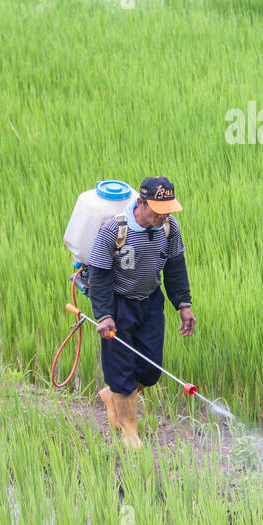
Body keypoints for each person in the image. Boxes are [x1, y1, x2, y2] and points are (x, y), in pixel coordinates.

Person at [88, 177, 195, 449]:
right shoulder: (114, 229)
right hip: (119, 304)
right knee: (121, 369)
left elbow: (175, 267)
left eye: (168, 209)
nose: (163, 215)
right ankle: (129, 432)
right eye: (158, 210)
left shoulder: (169, 228)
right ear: (141, 203)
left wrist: (183, 305)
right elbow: (99, 275)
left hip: (150, 303)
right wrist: (104, 314)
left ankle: (112, 396)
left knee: (150, 369)